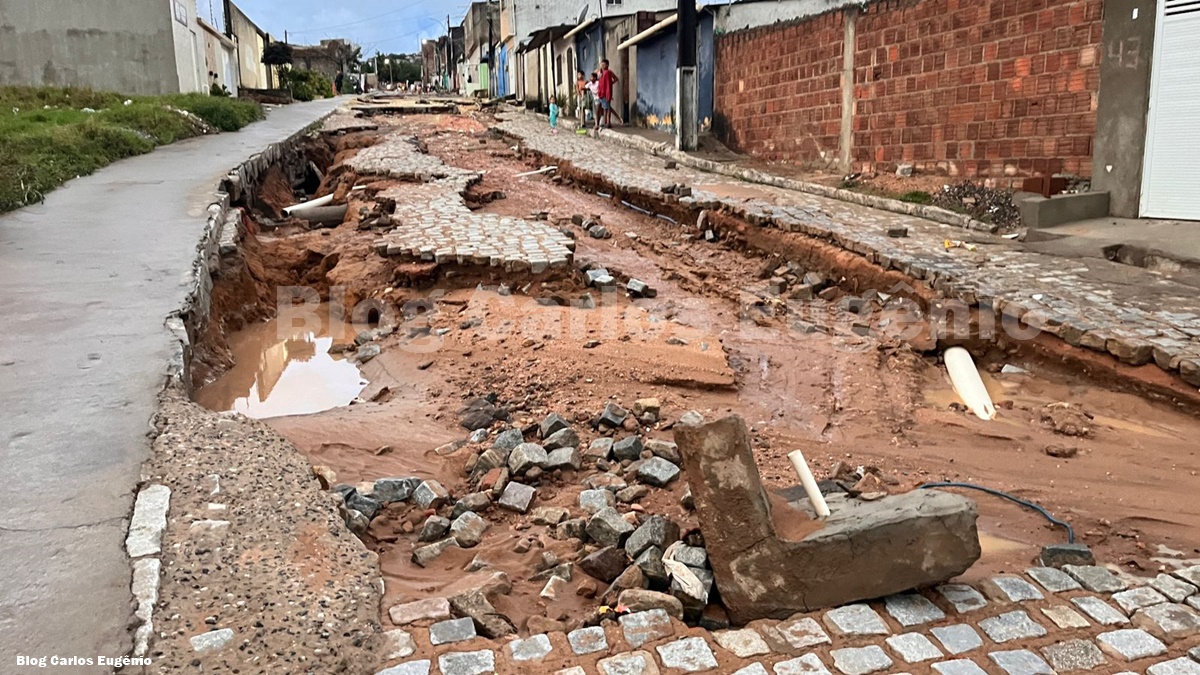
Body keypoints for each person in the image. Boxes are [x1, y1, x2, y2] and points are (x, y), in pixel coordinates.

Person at [596, 59, 618, 129]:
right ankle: (605, 122)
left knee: (607, 108)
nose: (602, 66)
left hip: (607, 92)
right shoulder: (600, 73)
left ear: (607, 65)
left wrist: (610, 84)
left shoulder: (608, 72)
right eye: (601, 65)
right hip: (601, 92)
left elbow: (615, 78)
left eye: (604, 65)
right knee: (604, 108)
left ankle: (608, 122)